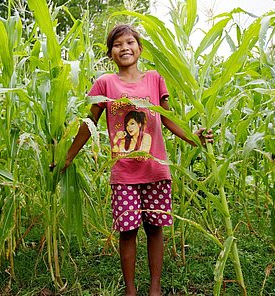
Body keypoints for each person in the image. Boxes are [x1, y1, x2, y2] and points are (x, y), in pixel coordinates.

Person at [63, 24, 213, 296]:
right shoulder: (105, 83)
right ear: (110, 53)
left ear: (139, 49)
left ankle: (155, 288)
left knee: (155, 228)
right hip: (124, 173)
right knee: (128, 232)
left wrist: (195, 137)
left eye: (130, 42)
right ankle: (131, 290)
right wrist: (68, 156)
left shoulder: (154, 79)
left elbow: (168, 119)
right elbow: (89, 123)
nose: (125, 48)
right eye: (118, 44)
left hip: (156, 169)